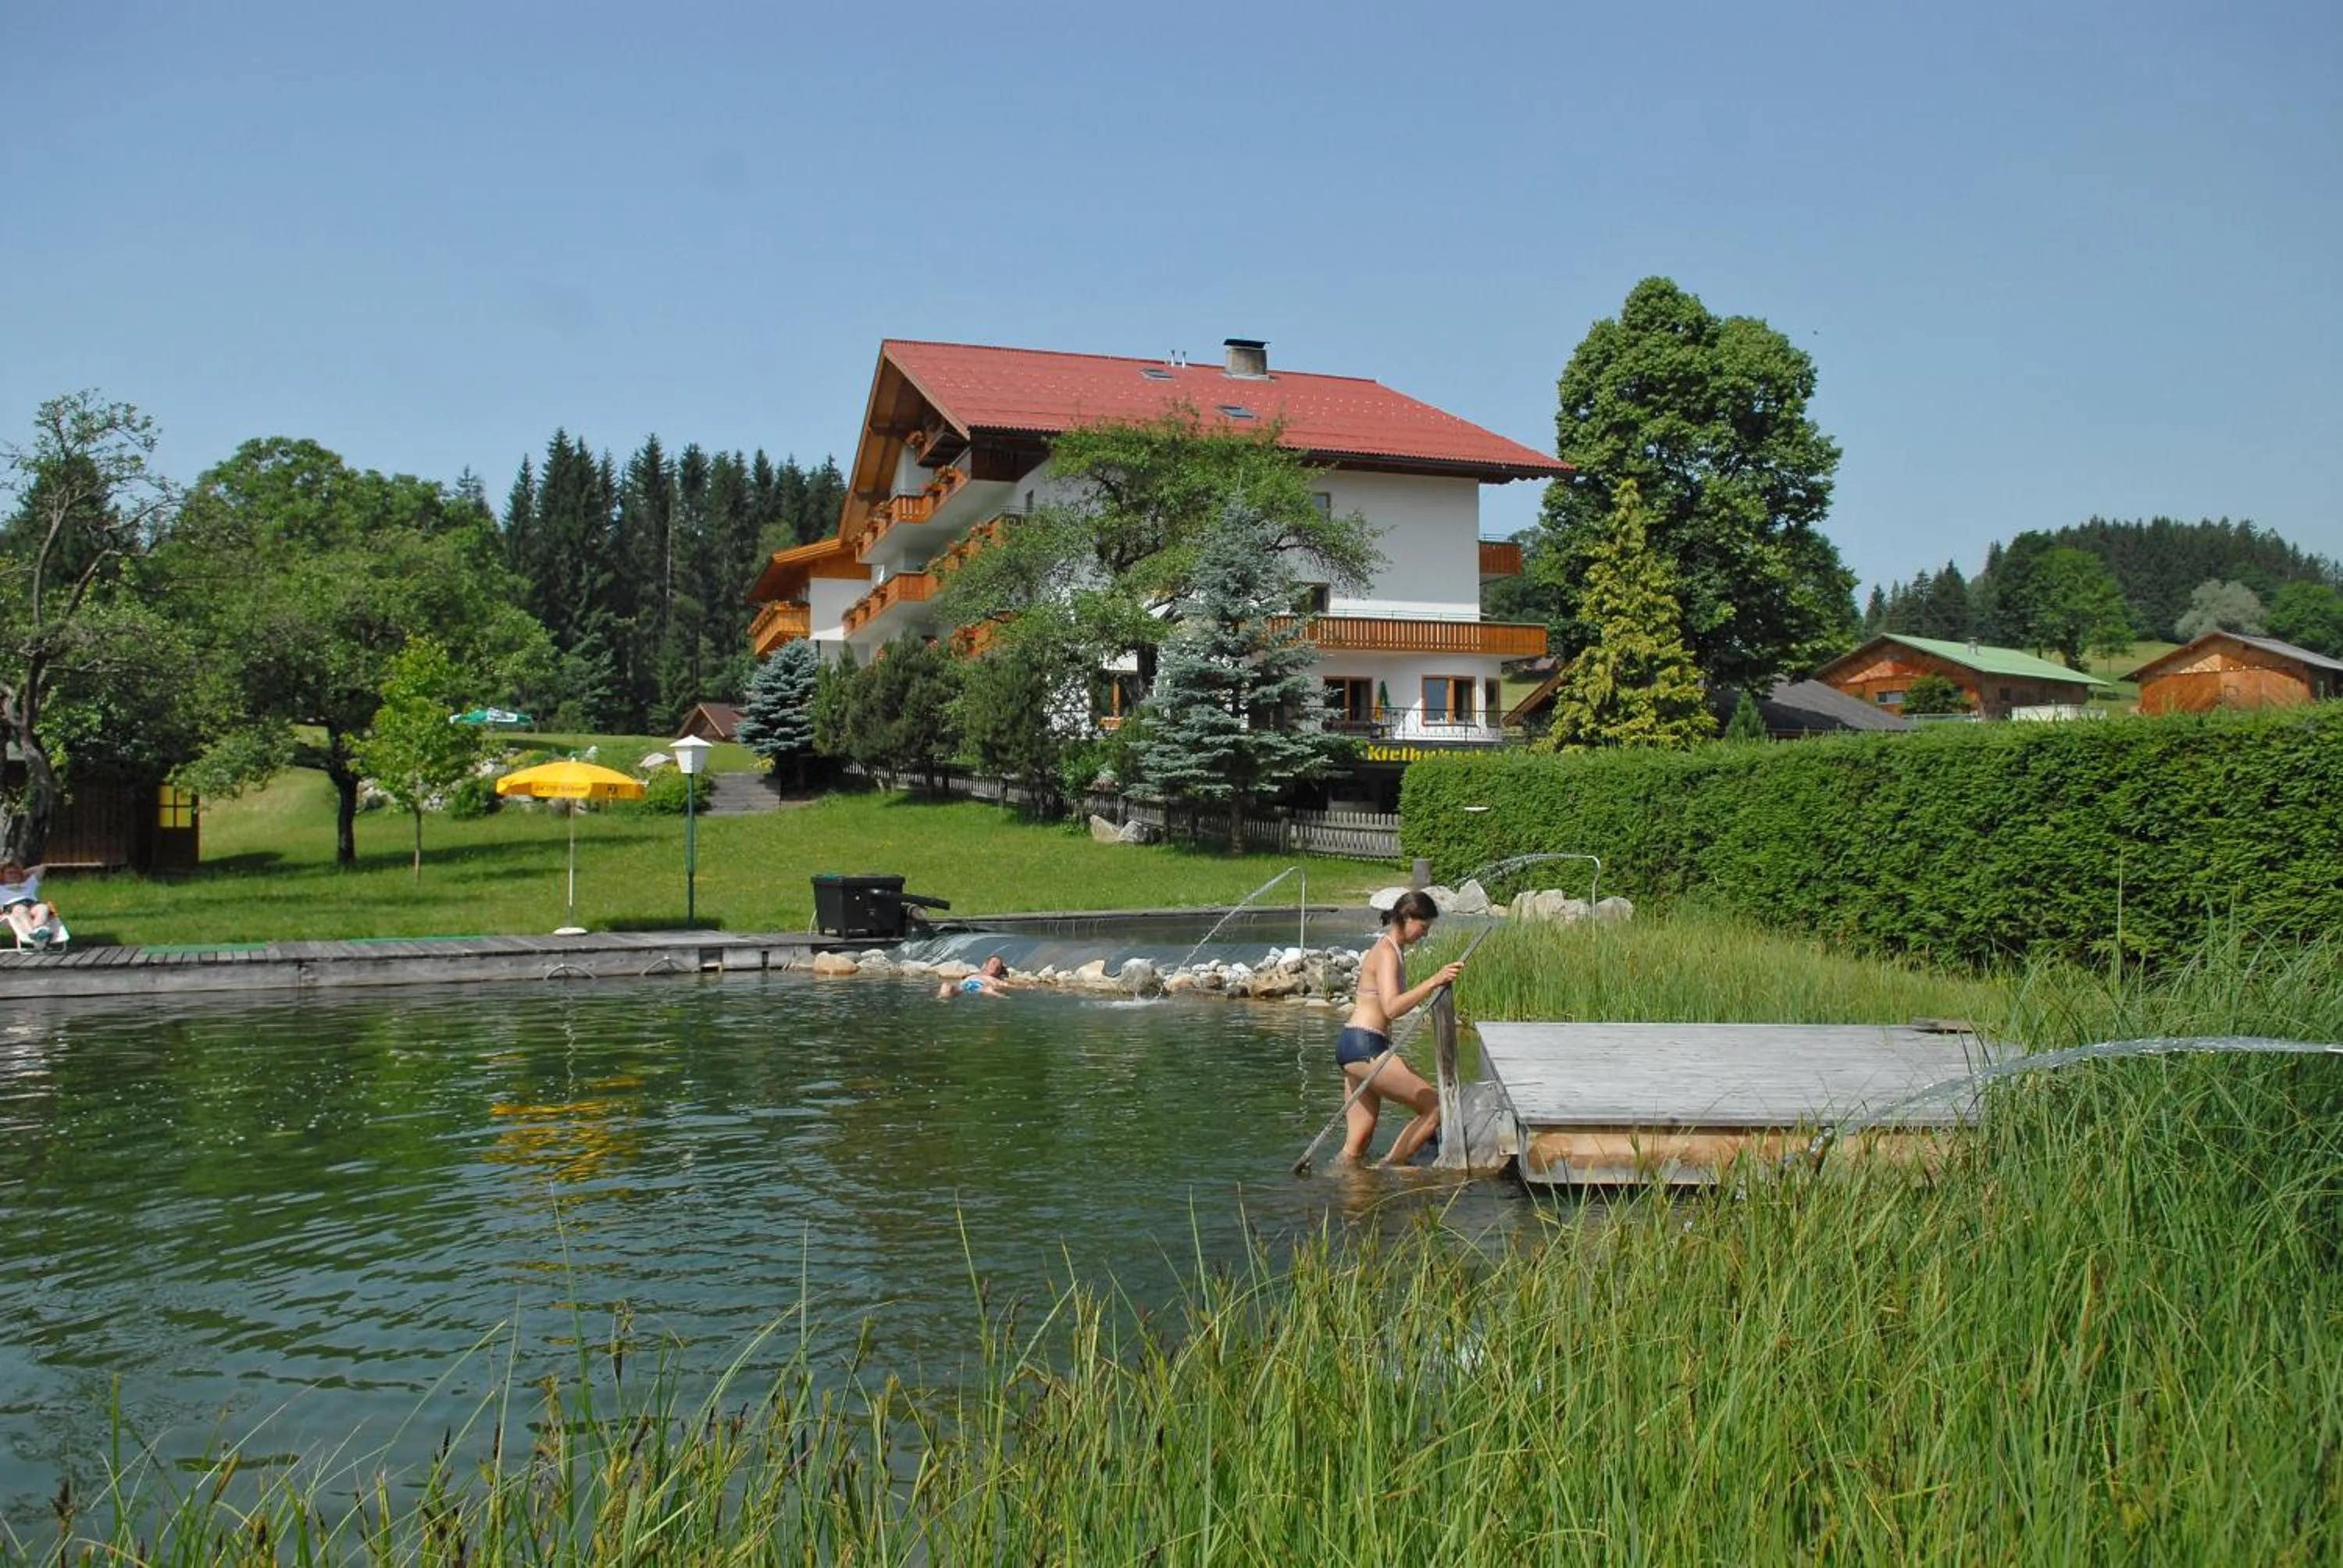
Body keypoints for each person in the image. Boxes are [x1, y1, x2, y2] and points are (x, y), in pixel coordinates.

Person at [1335, 889, 1463, 1167]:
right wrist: (1434, 981)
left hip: (1352, 1045)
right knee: (1435, 1107)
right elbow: (1391, 1008)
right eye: (1423, 927)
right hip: (1366, 1046)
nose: (1425, 934)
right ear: (1406, 917)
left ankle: (1342, 1185)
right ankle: (1388, 1170)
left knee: (1357, 1144)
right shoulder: (1387, 952)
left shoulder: (1392, 949)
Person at [0, 862, 67, 951]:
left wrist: (23, 873)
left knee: (43, 907)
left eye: (15, 873)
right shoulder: (1, 887)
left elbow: (41, 868)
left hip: (32, 904)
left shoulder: (29, 883)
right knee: (21, 909)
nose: (13, 875)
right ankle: (34, 934)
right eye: (10, 873)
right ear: (3, 875)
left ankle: (38, 931)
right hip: (11, 907)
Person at [937, 953, 1012, 1000]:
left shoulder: (997, 980)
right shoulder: (974, 974)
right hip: (962, 988)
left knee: (988, 989)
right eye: (994, 963)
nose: (995, 966)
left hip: (981, 988)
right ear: (986, 964)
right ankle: (941, 1002)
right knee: (946, 985)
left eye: (998, 965)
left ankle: (1003, 998)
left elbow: (1011, 986)